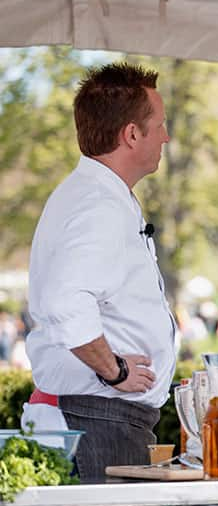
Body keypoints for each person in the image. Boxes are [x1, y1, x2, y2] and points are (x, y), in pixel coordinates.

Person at [22, 62, 176, 482]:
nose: (166, 136)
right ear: (131, 134)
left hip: (99, 415)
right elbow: (66, 302)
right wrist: (115, 371)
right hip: (96, 418)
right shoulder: (99, 205)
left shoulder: (98, 195)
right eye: (160, 125)